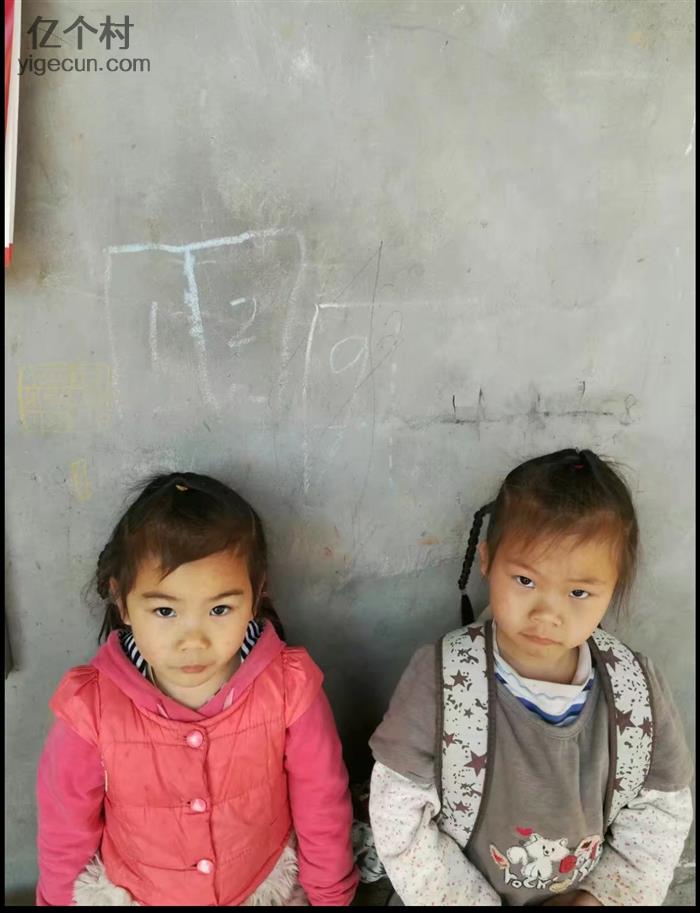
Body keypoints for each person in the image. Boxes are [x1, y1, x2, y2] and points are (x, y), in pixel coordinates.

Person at [368, 448, 693, 906]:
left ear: (613, 587)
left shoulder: (634, 693)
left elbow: (660, 813)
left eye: (578, 592)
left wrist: (600, 899)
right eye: (525, 581)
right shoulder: (442, 681)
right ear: (487, 560)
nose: (547, 613)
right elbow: (397, 810)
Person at [36, 472, 359, 906]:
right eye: (165, 611)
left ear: (256, 596)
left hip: (262, 888)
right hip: (138, 894)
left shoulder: (289, 687)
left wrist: (331, 899)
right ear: (122, 601)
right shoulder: (90, 708)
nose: (194, 640)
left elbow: (323, 807)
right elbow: (65, 831)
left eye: (220, 609)